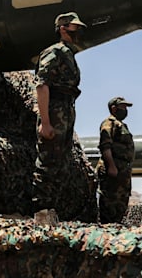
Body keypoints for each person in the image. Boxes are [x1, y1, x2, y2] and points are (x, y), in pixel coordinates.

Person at [32, 12, 87, 220]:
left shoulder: (68, 54)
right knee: (48, 162)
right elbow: (42, 84)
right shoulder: (54, 52)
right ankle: (41, 212)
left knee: (60, 163)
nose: (79, 31)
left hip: (65, 110)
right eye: (75, 27)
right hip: (55, 110)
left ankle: (50, 210)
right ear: (63, 28)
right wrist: (45, 122)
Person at [96, 96, 135, 224]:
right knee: (109, 205)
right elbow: (105, 146)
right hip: (114, 171)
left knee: (121, 205)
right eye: (123, 107)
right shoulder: (109, 123)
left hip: (122, 172)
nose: (125, 110)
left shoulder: (122, 125)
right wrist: (111, 166)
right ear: (114, 108)